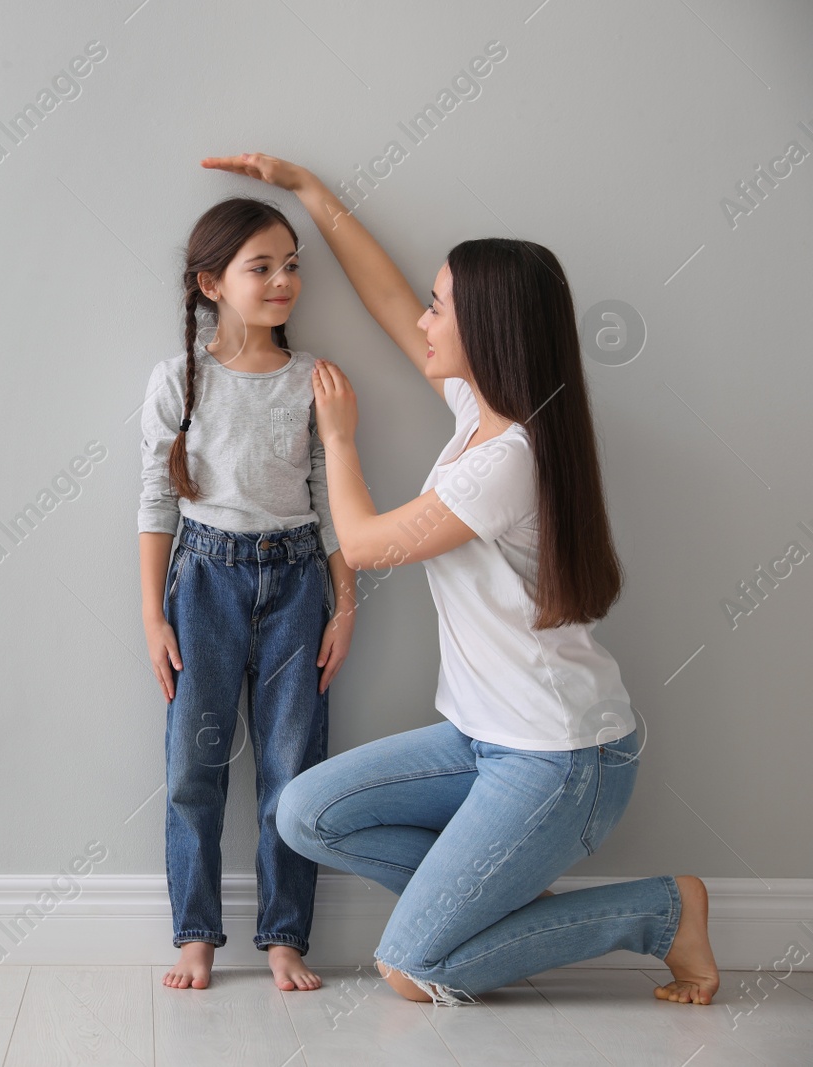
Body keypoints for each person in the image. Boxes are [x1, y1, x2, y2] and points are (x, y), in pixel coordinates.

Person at [193, 151, 719, 1006]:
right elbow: (389, 299)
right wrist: (311, 193)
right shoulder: (484, 412)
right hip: (480, 739)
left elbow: (360, 544)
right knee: (305, 813)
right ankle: (493, 892)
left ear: (488, 329)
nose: (424, 322)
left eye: (442, 308)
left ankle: (660, 912)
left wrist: (337, 437)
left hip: (560, 758)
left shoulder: (507, 461)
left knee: (413, 969)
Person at [139, 196, 357, 993]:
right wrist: (152, 613)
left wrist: (346, 602)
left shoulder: (315, 381)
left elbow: (331, 497)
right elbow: (155, 501)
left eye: (292, 263)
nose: (283, 279)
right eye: (260, 266)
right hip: (202, 581)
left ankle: (284, 937)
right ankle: (195, 934)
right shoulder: (177, 381)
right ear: (211, 282)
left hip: (298, 581)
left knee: (291, 767)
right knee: (193, 766)